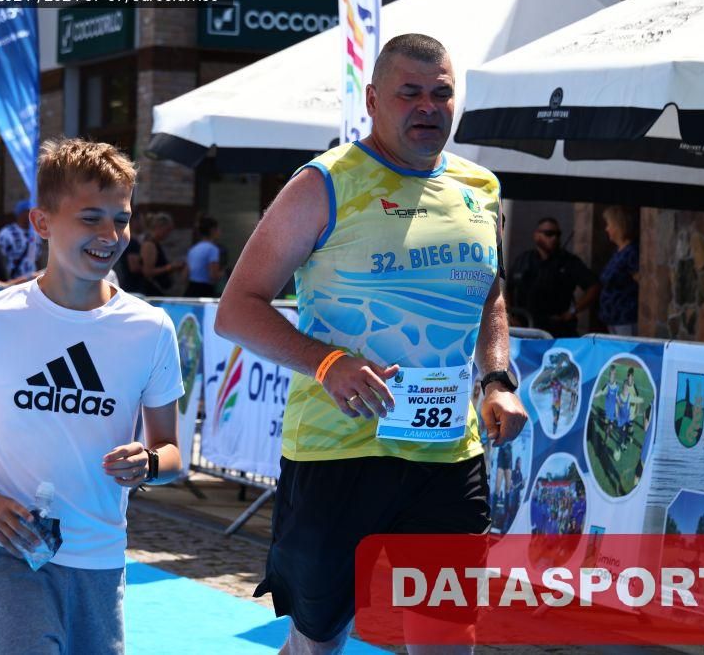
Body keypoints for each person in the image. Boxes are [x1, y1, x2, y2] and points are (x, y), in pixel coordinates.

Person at [214, 34, 528, 652]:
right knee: (320, 638)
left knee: (448, 634)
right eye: (410, 93)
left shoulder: (481, 187)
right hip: (338, 454)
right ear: (373, 100)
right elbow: (237, 309)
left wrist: (496, 380)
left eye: (441, 93)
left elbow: (489, 292)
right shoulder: (323, 184)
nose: (428, 106)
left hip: (446, 455)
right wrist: (327, 362)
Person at [0, 138, 184, 654]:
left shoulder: (150, 328)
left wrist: (148, 463)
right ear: (42, 222)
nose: (109, 236)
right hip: (8, 550)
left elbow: (170, 453)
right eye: (90, 218)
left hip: (100, 557)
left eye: (121, 219)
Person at [506, 217, 598, 337]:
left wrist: (573, 311)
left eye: (558, 234)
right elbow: (507, 288)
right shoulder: (523, 260)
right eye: (549, 233)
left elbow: (594, 286)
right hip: (526, 328)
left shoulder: (568, 262)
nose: (554, 238)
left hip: (557, 329)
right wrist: (509, 315)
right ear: (536, 235)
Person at [599, 206, 639, 336]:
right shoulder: (618, 251)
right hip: (613, 317)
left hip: (625, 318)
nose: (606, 229)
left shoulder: (632, 252)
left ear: (618, 226)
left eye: (609, 225)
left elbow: (640, 282)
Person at [137, 212, 184, 296]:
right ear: (159, 227)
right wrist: (170, 267)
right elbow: (147, 272)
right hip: (151, 292)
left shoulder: (155, 243)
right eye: (167, 230)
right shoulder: (149, 245)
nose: (168, 234)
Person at [0, 198, 41, 280]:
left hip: (32, 281)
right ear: (21, 213)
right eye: (30, 212)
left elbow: (37, 259)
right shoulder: (6, 233)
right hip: (11, 281)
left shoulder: (36, 234)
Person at [184, 215, 223, 297]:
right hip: (204, 291)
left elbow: (185, 275)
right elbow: (213, 275)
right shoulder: (213, 249)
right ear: (213, 230)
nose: (220, 231)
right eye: (218, 229)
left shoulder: (193, 249)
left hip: (190, 289)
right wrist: (222, 274)